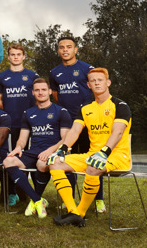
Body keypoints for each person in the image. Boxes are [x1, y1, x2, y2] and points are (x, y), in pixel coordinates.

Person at [49, 68, 132, 227]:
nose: (97, 83)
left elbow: (118, 131)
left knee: (93, 166)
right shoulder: (85, 107)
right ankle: (73, 211)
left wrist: (104, 152)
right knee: (55, 163)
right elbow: (75, 130)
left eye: (100, 80)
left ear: (108, 83)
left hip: (117, 156)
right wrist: (63, 149)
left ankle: (80, 213)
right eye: (93, 81)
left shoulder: (120, 105)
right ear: (88, 85)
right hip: (92, 155)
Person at [4, 77, 72, 218]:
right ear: (33, 93)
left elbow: (65, 139)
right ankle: (37, 199)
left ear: (49, 92)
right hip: (33, 151)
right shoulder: (28, 113)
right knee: (8, 161)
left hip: (53, 152)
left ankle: (35, 200)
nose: (40, 93)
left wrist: (49, 151)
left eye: (43, 90)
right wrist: (18, 147)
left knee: (42, 163)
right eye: (37, 90)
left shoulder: (61, 111)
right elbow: (23, 138)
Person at [49, 35, 100, 210]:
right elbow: (56, 95)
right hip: (67, 123)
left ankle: (98, 199)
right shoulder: (54, 72)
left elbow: (97, 90)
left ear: (75, 49)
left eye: (69, 47)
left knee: (93, 159)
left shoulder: (87, 68)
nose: (65, 50)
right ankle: (68, 198)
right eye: (61, 47)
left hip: (87, 121)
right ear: (58, 51)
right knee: (66, 159)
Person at [0, 41, 39, 206]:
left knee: (28, 158)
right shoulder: (1, 77)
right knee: (9, 157)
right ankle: (10, 192)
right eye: (12, 54)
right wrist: (7, 114)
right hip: (9, 125)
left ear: (23, 56)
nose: (15, 57)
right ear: (8, 57)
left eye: (18, 54)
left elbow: (38, 98)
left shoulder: (32, 76)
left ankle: (26, 191)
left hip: (29, 125)